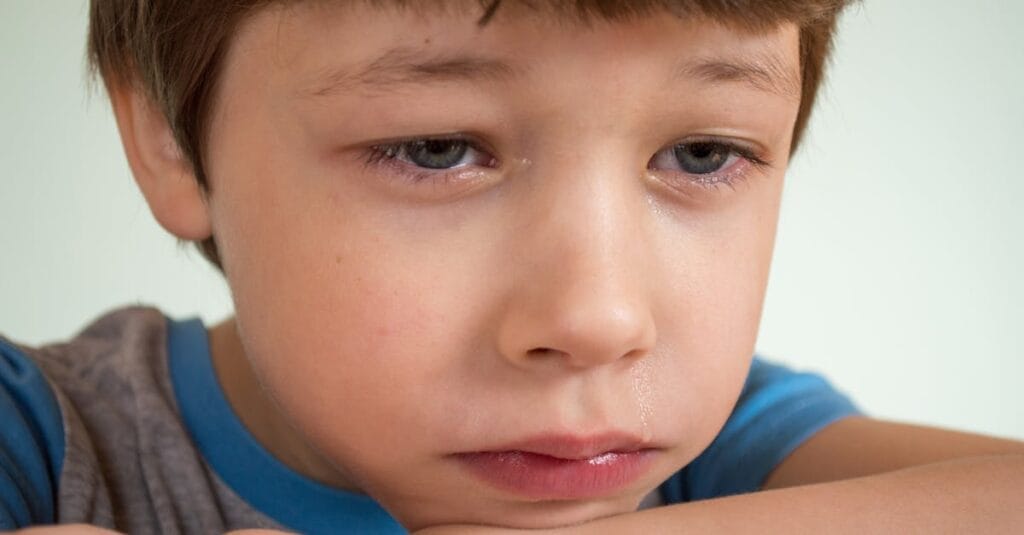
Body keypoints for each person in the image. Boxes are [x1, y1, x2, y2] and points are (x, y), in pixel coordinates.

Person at [2, 1, 1022, 533]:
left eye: (702, 153)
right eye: (438, 148)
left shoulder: (720, 467)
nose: (598, 318)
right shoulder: (40, 444)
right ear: (169, 139)